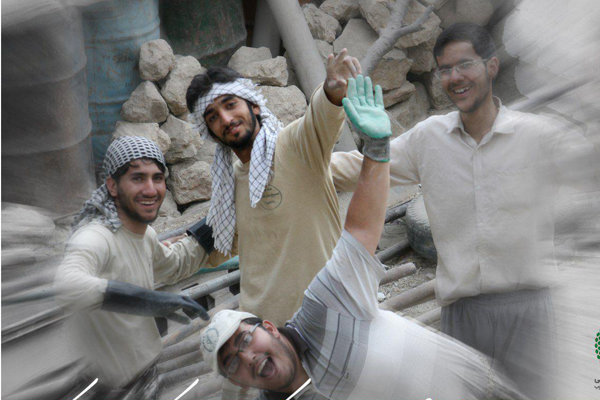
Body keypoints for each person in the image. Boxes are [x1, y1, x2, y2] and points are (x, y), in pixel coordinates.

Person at [199, 75, 524, 400]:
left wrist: (359, 125)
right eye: (231, 363)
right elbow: (214, 244)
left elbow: (360, 227)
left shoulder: (327, 304)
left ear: (268, 328)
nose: (246, 357)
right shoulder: (230, 189)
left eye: (243, 342)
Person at [329, 22, 594, 398]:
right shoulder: (427, 139)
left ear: (492, 66)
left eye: (464, 64)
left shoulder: (538, 137)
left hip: (527, 308)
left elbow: (588, 169)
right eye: (445, 69)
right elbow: (359, 167)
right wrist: (288, 160)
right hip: (461, 313)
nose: (454, 78)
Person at [185, 49, 360, 327]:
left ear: (253, 105)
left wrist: (331, 91)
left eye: (230, 105)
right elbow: (224, 243)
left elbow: (320, 120)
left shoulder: (295, 146)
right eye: (213, 116)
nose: (226, 119)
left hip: (328, 313)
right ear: (210, 131)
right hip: (267, 328)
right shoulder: (227, 184)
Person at [54, 136, 215, 399]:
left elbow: (173, 265)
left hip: (144, 376)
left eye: (157, 178)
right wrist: (148, 300)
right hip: (105, 387)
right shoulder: (96, 237)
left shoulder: (145, 235)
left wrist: (211, 228)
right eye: (138, 178)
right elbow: (68, 285)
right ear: (113, 186)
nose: (151, 189)